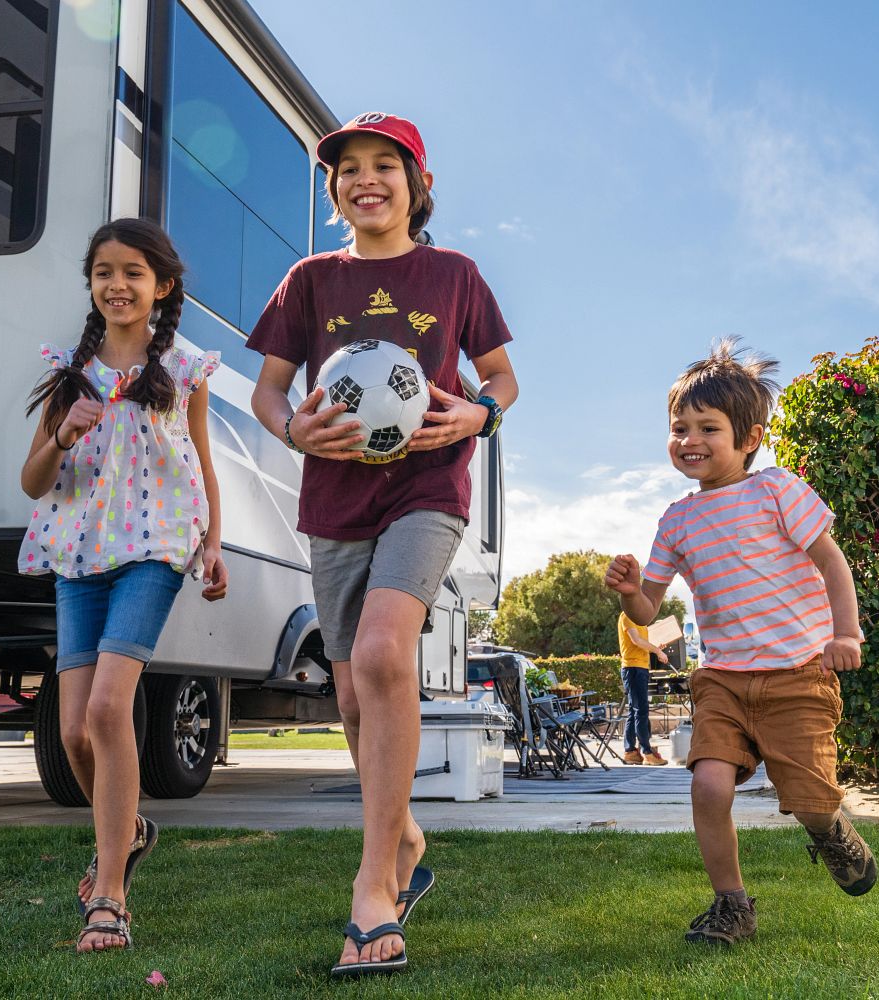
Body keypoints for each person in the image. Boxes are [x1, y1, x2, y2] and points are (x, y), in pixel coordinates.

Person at [247, 112, 519, 977]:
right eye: (348, 169)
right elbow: (269, 392)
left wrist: (480, 412)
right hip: (335, 500)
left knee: (382, 654)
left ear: (416, 184)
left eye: (384, 167)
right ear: (335, 192)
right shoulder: (310, 280)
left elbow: (504, 376)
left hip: (429, 490)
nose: (366, 180)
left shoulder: (455, 274)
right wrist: (296, 433)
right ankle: (402, 834)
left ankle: (372, 889)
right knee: (357, 694)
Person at [605, 339, 876, 947]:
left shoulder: (776, 490)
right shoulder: (675, 520)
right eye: (679, 428)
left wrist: (845, 633)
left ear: (749, 438)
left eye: (707, 427)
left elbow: (832, 563)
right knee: (708, 784)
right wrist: (628, 592)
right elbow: (649, 609)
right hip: (722, 678)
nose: (689, 440)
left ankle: (828, 830)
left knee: (808, 801)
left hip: (796, 674)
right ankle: (732, 906)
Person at [18, 218, 229, 953]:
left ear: (161, 286)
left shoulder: (185, 369)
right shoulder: (70, 374)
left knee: (111, 707)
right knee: (76, 731)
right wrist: (62, 435)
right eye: (104, 272)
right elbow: (33, 481)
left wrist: (213, 541)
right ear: (92, 285)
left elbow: (202, 462)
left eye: (134, 272)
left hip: (155, 550)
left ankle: (109, 896)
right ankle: (131, 831)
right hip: (79, 557)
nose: (117, 284)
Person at [616, 610, 668, 765]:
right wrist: (658, 651)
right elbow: (636, 640)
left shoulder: (640, 620)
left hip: (639, 668)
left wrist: (655, 647)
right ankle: (647, 753)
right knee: (641, 710)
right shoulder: (628, 615)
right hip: (633, 668)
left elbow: (642, 644)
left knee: (634, 710)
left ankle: (630, 751)